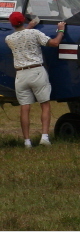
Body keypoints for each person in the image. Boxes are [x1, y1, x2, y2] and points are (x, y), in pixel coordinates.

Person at [5, 12, 66, 147]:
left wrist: (29, 26)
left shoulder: (9, 38)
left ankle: (27, 141)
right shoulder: (34, 33)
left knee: (25, 108)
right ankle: (44, 137)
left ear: (12, 24)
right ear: (23, 21)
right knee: (44, 104)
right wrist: (61, 30)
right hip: (37, 71)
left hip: (20, 75)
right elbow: (54, 43)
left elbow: (21, 37)